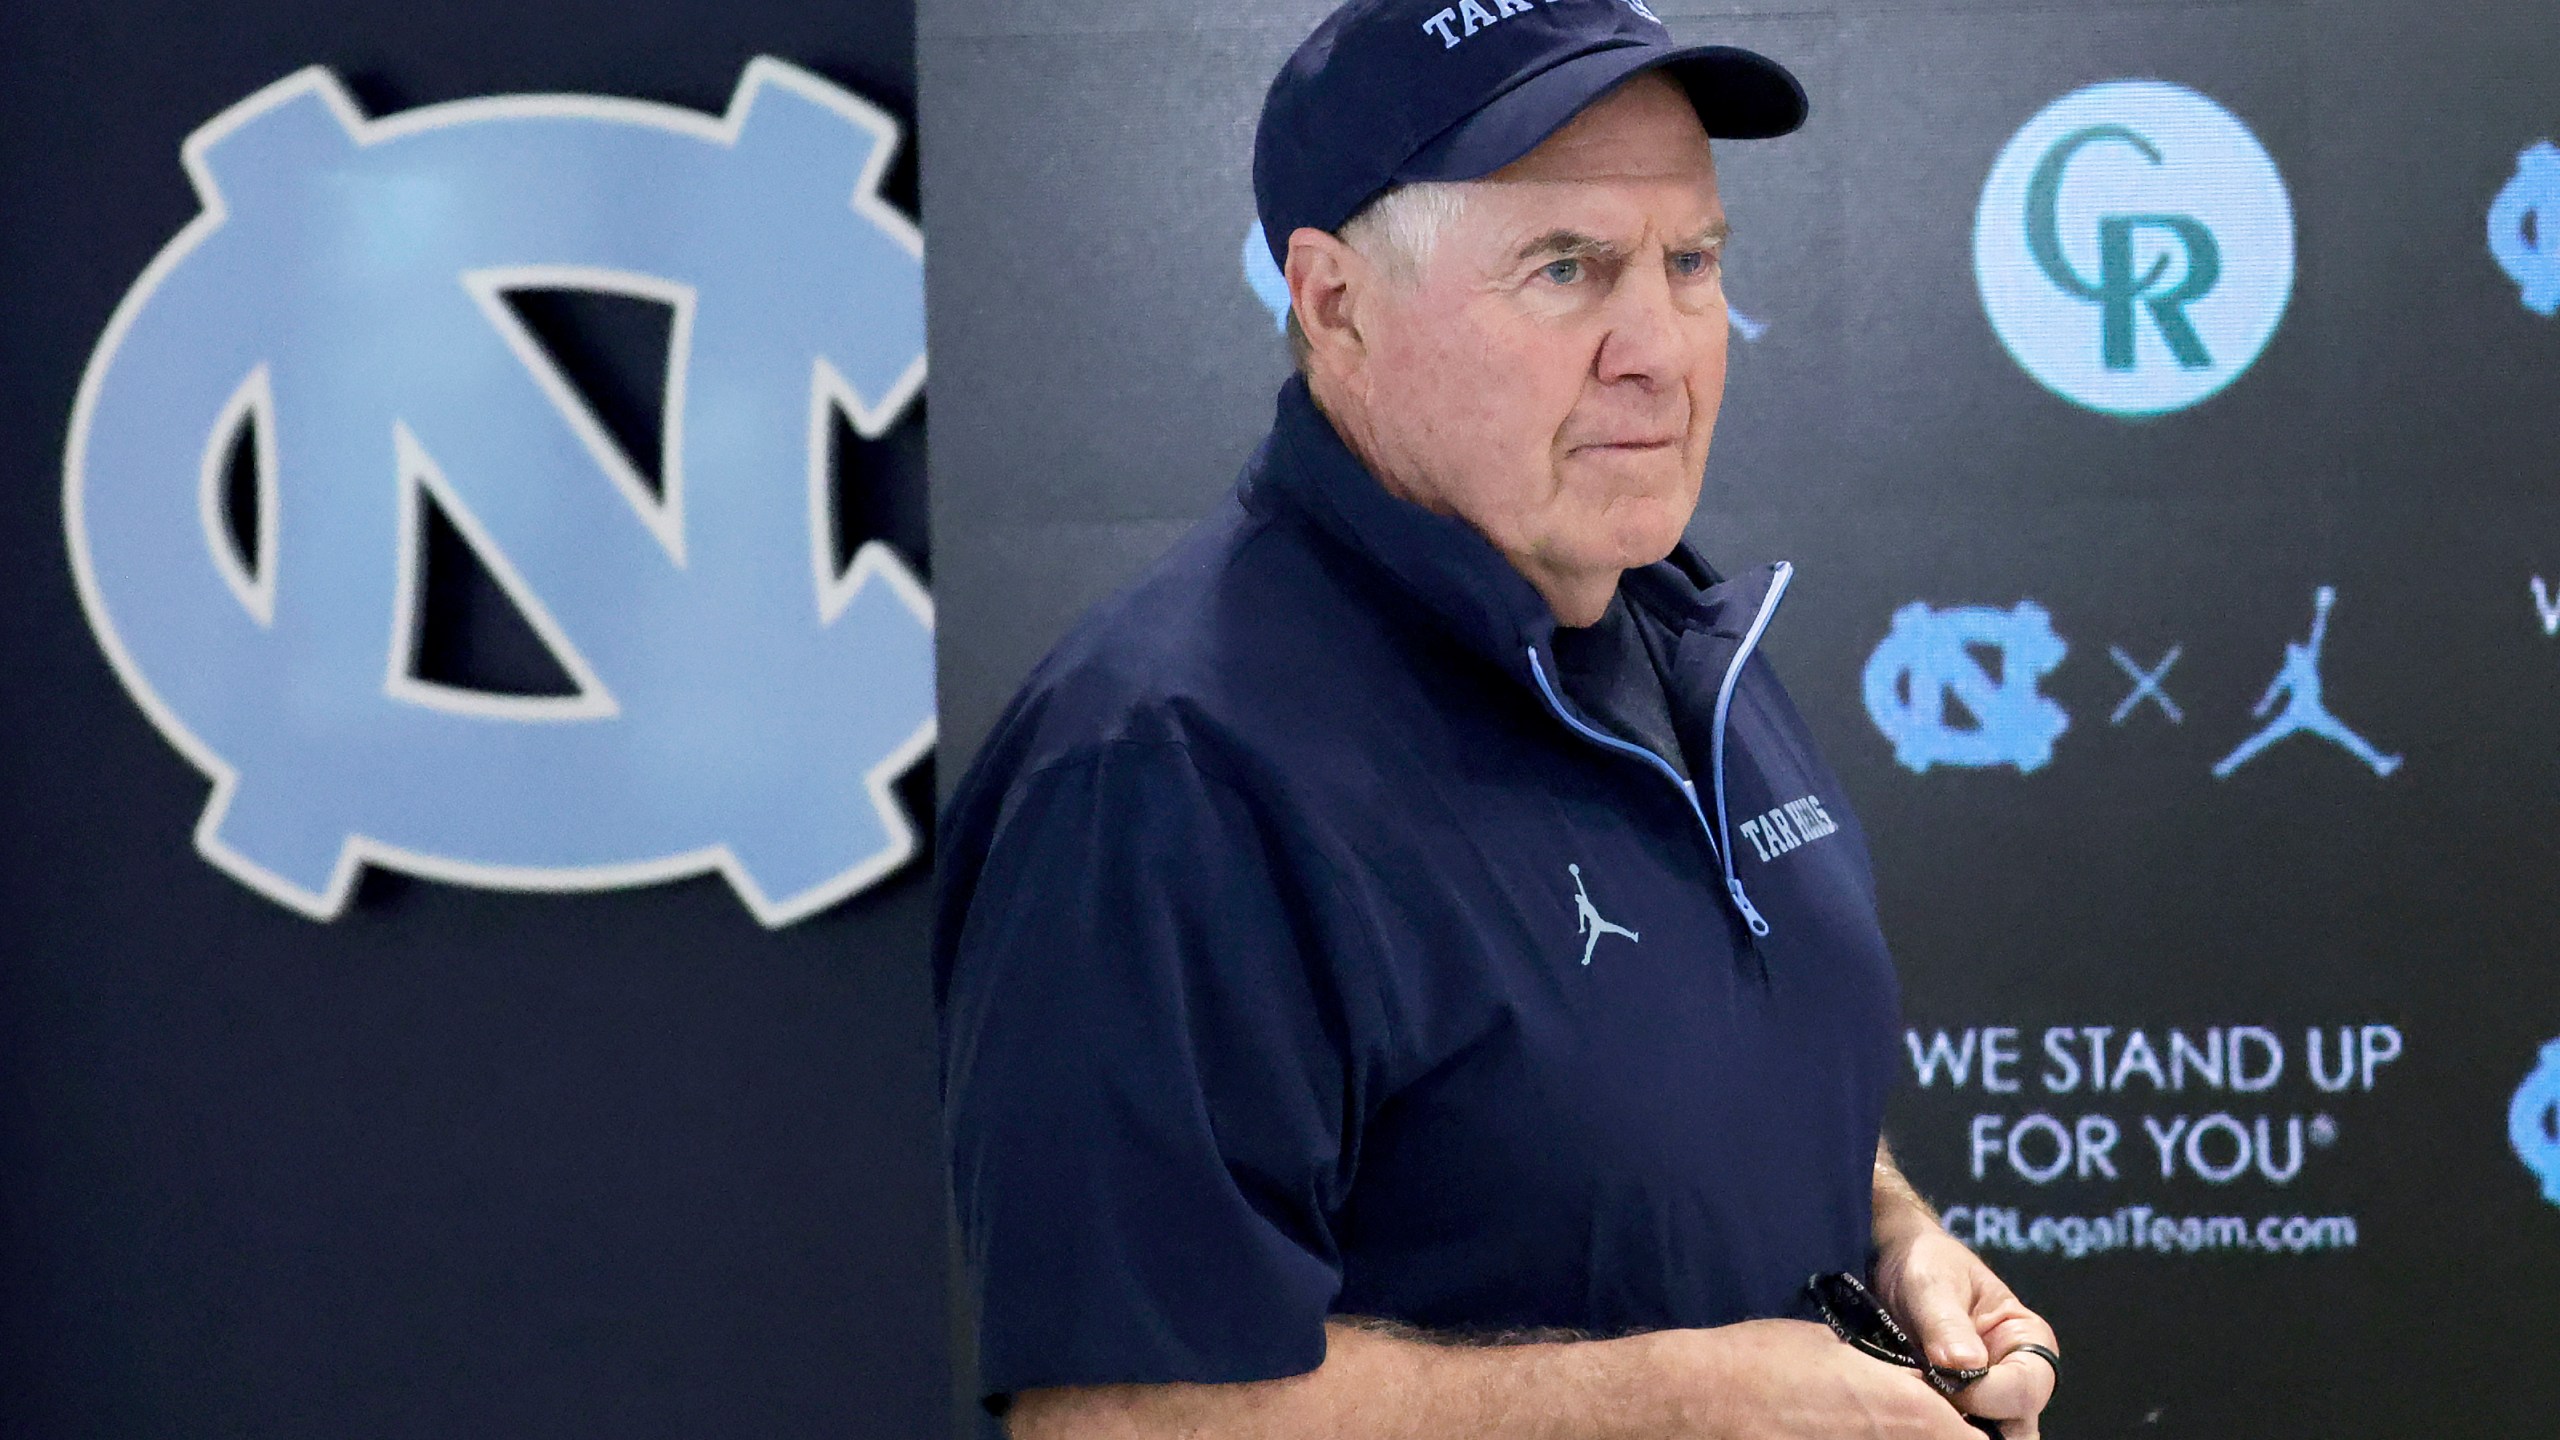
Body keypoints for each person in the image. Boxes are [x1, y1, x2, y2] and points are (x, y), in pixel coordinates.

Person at [933, 0, 2062, 1434]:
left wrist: (1894, 1243)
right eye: (1566, 269)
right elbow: (1124, 1418)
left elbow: (1670, 1079)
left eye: (1693, 262)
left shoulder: (1662, 619)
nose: (1660, 346)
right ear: (1336, 304)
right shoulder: (1166, 771)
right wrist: (1686, 1408)